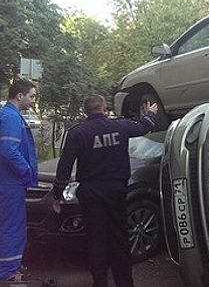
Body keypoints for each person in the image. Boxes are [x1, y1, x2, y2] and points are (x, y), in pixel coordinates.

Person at [52, 94, 158, 287]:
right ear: (104, 109)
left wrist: (57, 195)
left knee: (96, 240)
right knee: (119, 237)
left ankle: (99, 283)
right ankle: (124, 282)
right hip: (116, 190)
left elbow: (64, 166)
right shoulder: (120, 126)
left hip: (90, 192)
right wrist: (150, 114)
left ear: (86, 111)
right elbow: (144, 127)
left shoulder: (77, 133)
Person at [0, 79, 38, 282]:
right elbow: (9, 150)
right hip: (10, 183)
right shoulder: (11, 118)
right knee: (12, 227)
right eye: (31, 96)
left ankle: (8, 268)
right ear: (19, 95)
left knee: (8, 225)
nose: (33, 101)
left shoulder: (9, 116)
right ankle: (8, 272)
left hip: (7, 181)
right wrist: (27, 171)